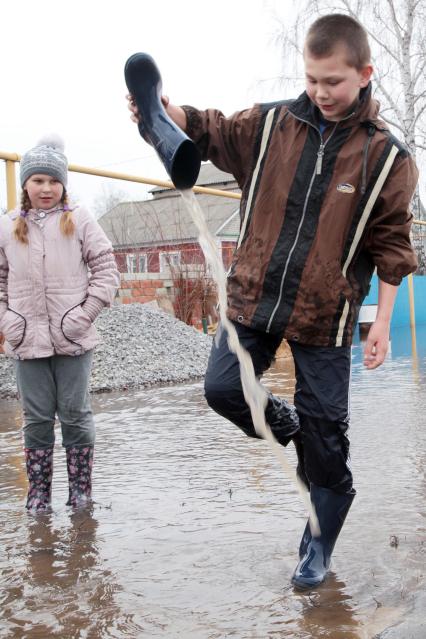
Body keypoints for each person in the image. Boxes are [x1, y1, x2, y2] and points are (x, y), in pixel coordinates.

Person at [127, 14, 418, 588]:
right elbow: (211, 130)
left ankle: (318, 546)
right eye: (312, 79)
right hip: (253, 298)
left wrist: (382, 321)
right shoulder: (272, 124)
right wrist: (166, 113)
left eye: (332, 81)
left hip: (325, 312)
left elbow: (392, 246)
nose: (320, 92)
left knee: (329, 443)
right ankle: (290, 428)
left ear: (364, 74)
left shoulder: (387, 157)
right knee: (222, 389)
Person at [0, 135, 120, 512]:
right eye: (38, 180)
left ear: (64, 184)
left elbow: (106, 271)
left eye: (54, 181)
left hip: (74, 338)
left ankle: (80, 491)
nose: (46, 188)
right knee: (35, 419)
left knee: (75, 413)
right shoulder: (7, 226)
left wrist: (82, 316)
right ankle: (38, 493)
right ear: (25, 184)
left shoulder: (80, 220)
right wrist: (9, 320)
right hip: (26, 339)